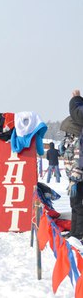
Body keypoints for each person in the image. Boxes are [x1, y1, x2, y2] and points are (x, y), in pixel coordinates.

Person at [68, 89, 83, 240]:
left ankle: (78, 233)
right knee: (75, 202)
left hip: (79, 171)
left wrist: (76, 99)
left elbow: (78, 113)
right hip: (77, 171)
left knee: (78, 203)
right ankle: (75, 232)